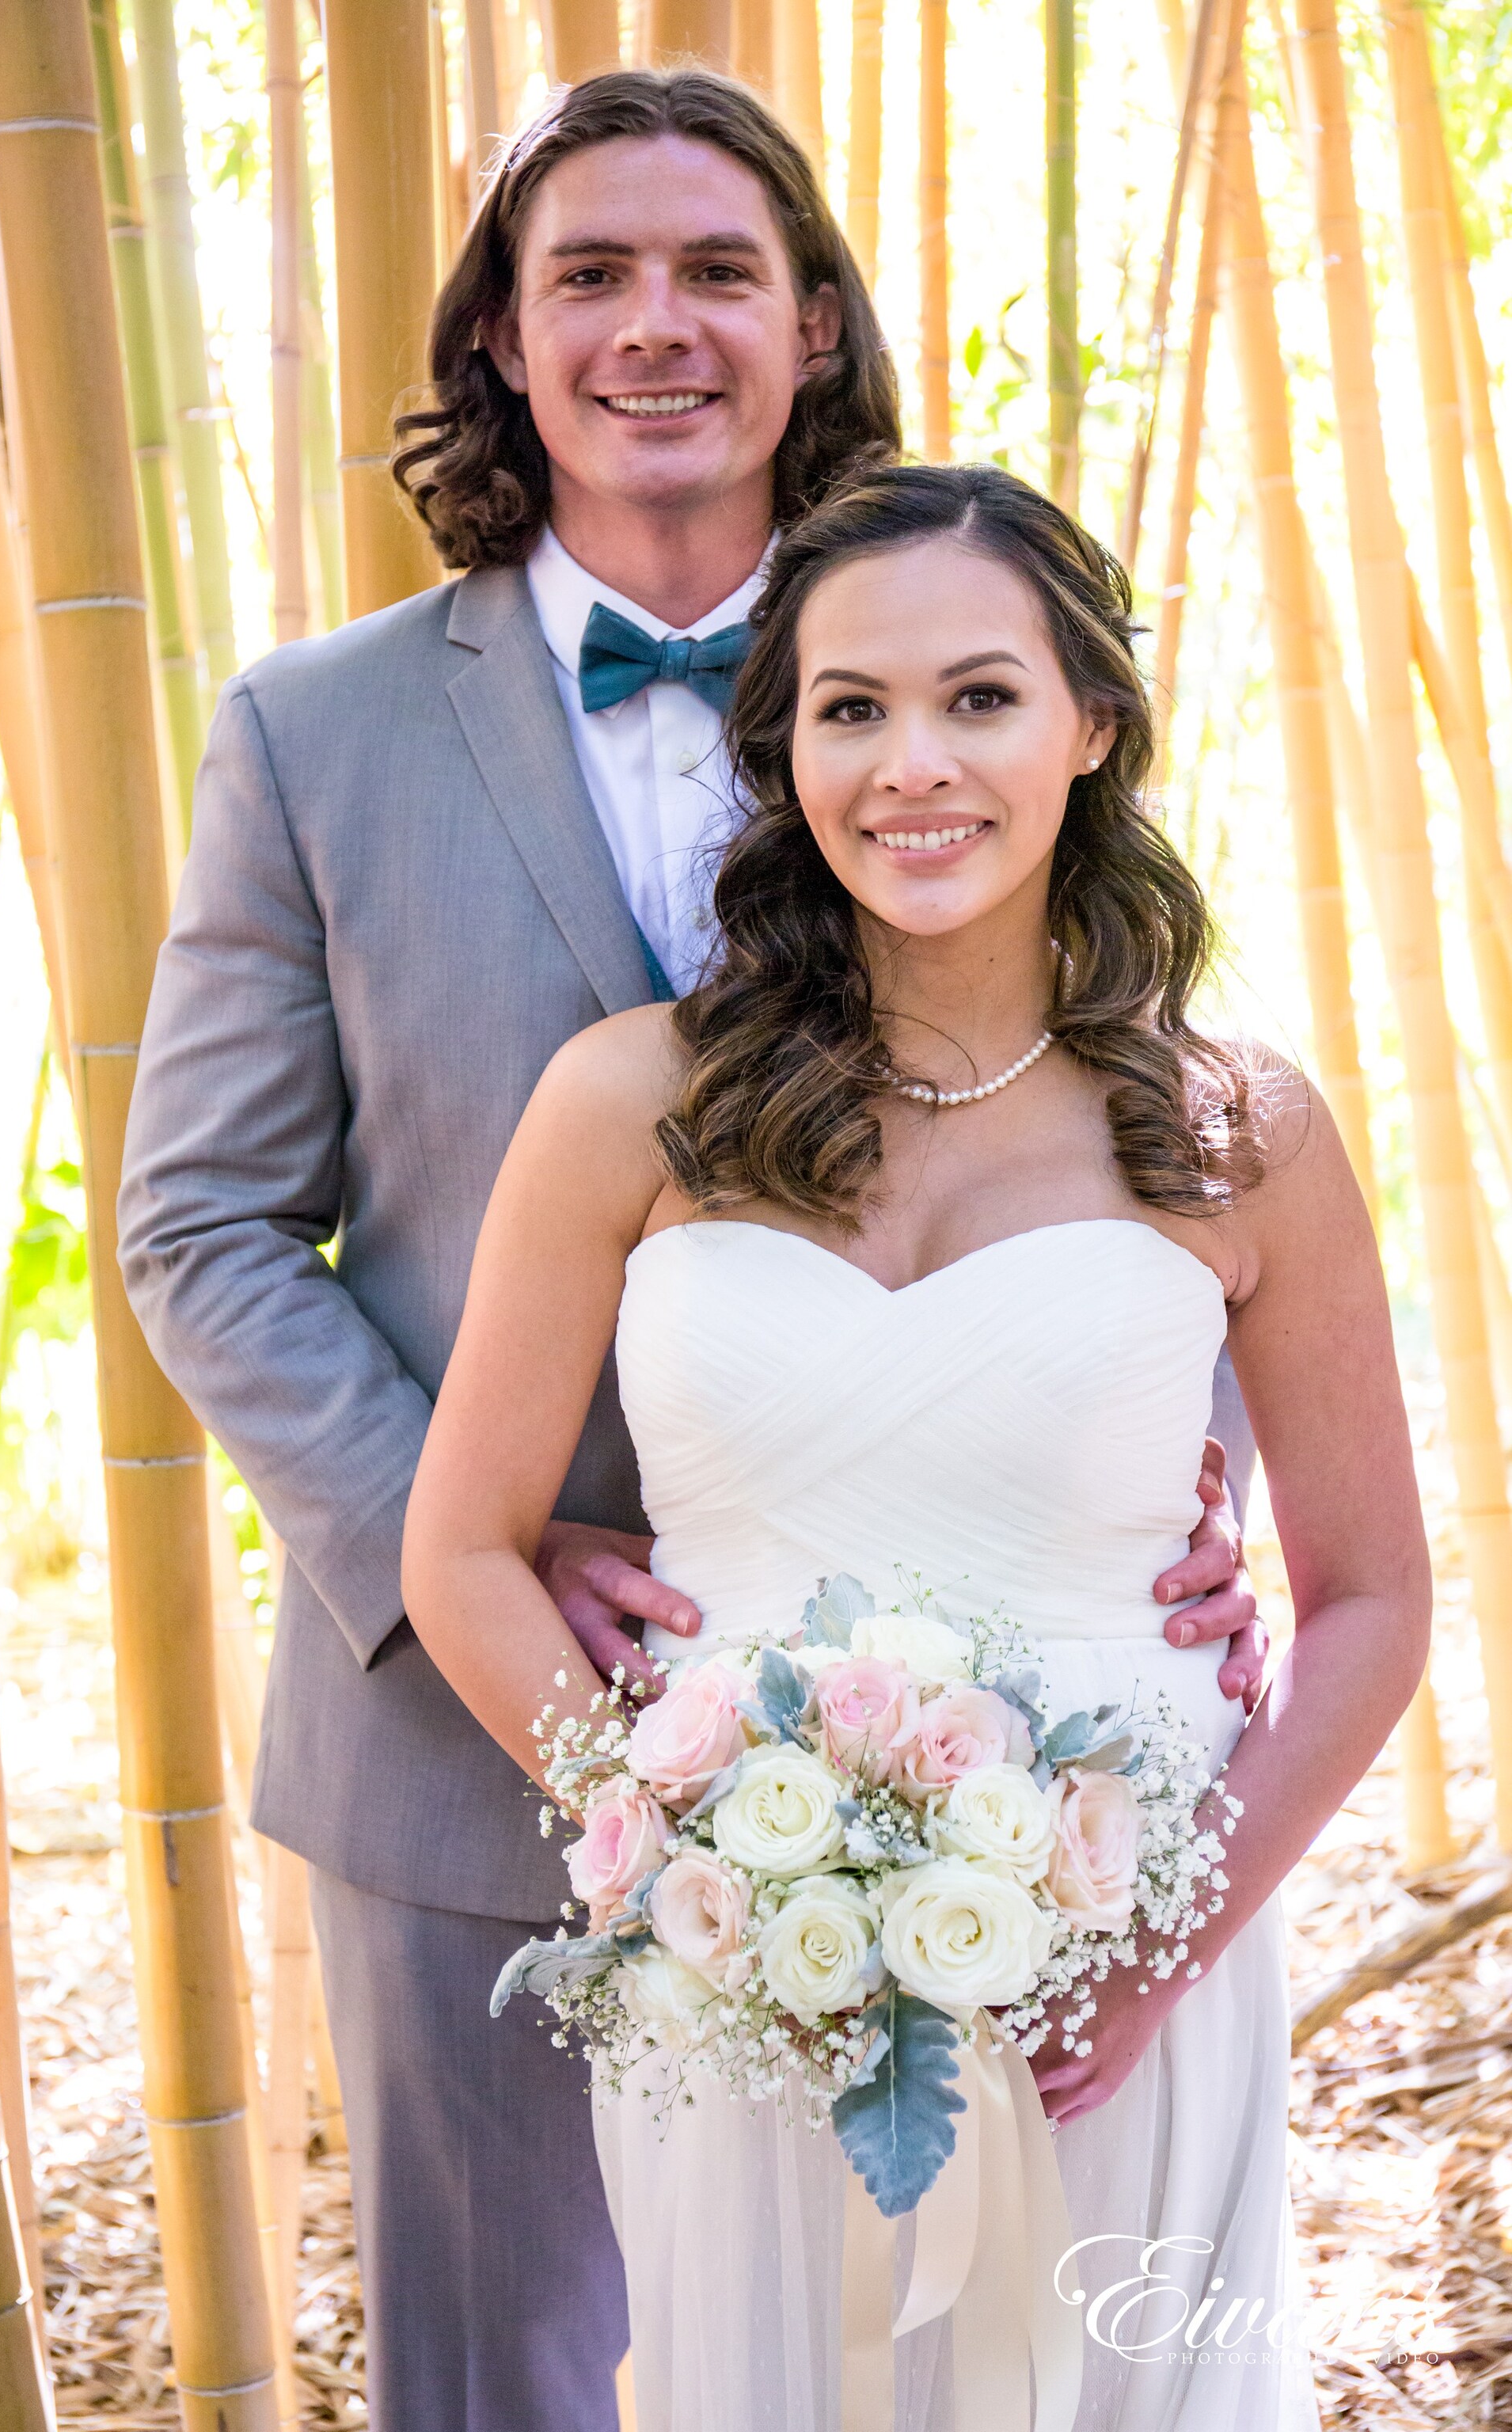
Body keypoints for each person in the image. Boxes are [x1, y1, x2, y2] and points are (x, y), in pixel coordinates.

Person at [118, 70, 1260, 2432]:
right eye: (591, 277)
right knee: (504, 2392)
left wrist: (1171, 1487)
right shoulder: (309, 730)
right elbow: (203, 1223)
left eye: (721, 268)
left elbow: (1125, 1131)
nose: (661, 325)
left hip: (978, 1752)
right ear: (507, 348)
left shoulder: (952, 667)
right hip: (459, 1746)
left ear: (817, 326)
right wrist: (477, 1534)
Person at [400, 462, 1430, 2432]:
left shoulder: (1241, 1130)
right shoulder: (630, 1102)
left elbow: (1376, 1600)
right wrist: (678, 1866)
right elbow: (461, 1548)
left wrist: (1161, 1960)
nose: (910, 767)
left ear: (1090, 724)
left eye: (978, 696)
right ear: (782, 745)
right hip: (738, 1984)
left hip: (1131, 1950)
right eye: (849, 709)